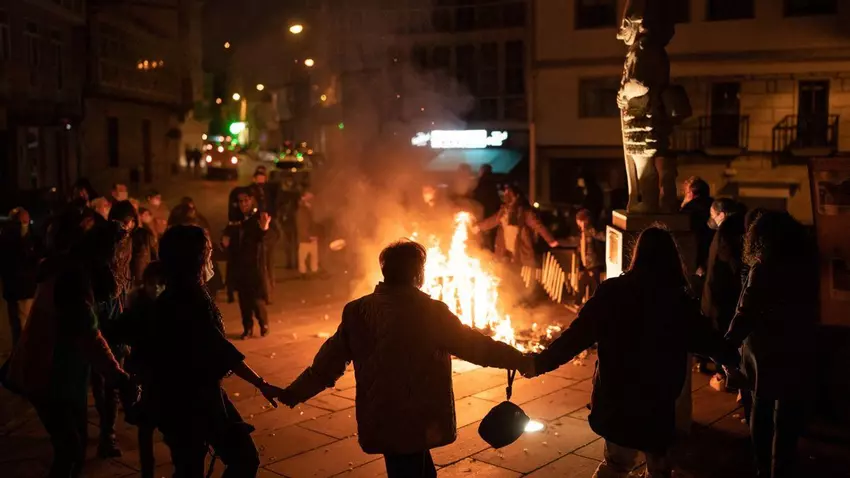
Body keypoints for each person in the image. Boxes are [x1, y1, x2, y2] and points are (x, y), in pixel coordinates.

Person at [278, 240, 533, 478]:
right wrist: (520, 360)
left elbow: (327, 364)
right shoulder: (431, 312)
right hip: (419, 419)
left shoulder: (357, 310)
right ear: (417, 273)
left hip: (382, 416)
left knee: (414, 467)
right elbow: (475, 346)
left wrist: (293, 393)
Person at [526, 227, 737, 478]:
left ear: (637, 255)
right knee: (658, 467)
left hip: (617, 396)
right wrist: (733, 361)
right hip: (657, 399)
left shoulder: (612, 292)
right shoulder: (676, 300)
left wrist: (541, 363)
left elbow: (577, 336)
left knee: (616, 464)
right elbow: (707, 340)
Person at [146, 224, 285, 477]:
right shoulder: (191, 299)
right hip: (195, 398)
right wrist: (260, 383)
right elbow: (220, 349)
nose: (211, 256)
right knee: (242, 459)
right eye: (208, 251)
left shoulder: (177, 294)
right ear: (195, 260)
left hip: (183, 396)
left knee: (190, 467)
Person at [1, 204, 128, 477]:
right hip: (48, 374)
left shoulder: (71, 269)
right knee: (70, 450)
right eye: (115, 255)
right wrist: (118, 377)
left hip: (63, 375)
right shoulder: (72, 278)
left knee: (74, 449)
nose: (118, 262)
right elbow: (88, 333)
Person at [725, 211, 818, 478]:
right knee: (787, 413)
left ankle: (763, 467)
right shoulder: (806, 265)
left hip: (765, 349)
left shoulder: (763, 267)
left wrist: (727, 344)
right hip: (796, 344)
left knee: (762, 407)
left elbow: (746, 311)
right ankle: (781, 468)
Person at [89, 200, 136, 457]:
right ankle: (107, 432)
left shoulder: (126, 242)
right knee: (102, 376)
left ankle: (108, 432)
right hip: (100, 314)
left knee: (110, 377)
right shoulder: (103, 242)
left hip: (115, 315)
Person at [110, 261, 165, 478]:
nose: (157, 288)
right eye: (152, 283)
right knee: (145, 428)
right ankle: (147, 472)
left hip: (165, 376)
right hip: (144, 375)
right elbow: (120, 331)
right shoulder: (138, 306)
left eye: (161, 283)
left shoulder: (172, 305)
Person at [699, 198, 746, 378]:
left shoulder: (725, 232)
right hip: (724, 294)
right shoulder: (737, 229)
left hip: (720, 294)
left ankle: (725, 374)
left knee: (720, 332)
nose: (712, 219)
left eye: (713, 215)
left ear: (722, 214)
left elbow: (730, 263)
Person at [223, 192, 277, 339]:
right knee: (244, 300)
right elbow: (228, 239)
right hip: (240, 267)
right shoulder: (236, 220)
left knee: (257, 299)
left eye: (246, 200)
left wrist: (264, 229)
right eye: (240, 201)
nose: (243, 204)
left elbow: (267, 237)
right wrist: (225, 243)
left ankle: (263, 324)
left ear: (252, 200)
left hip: (255, 267)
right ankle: (247, 328)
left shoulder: (259, 218)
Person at [0, 207, 43, 346]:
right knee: (25, 324)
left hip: (12, 287)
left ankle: (18, 351)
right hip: (24, 287)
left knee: (16, 325)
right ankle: (24, 353)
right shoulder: (24, 235)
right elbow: (28, 256)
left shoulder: (5, 234)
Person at [679, 177, 714, 276]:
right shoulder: (714, 206)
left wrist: (683, 207)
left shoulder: (689, 210)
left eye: (686, 193)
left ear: (690, 193)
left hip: (695, 259)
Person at [575, 208, 605, 305]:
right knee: (585, 283)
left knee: (592, 284)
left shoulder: (591, 230)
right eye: (579, 221)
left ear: (587, 220)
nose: (581, 223)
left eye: (582, 221)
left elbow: (601, 237)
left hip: (593, 262)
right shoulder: (582, 232)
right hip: (587, 263)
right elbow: (582, 247)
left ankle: (591, 304)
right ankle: (580, 303)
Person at [472, 165, 502, 251]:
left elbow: (477, 200)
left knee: (485, 243)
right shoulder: (493, 184)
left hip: (484, 217)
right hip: (492, 218)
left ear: (482, 171)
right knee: (491, 242)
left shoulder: (481, 184)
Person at [295, 190, 319, 278]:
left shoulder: (310, 209)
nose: (311, 198)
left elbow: (314, 223)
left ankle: (313, 271)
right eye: (309, 196)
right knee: (303, 256)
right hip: (305, 238)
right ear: (303, 197)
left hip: (312, 237)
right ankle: (303, 272)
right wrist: (308, 236)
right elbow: (301, 225)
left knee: (314, 256)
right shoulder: (302, 211)